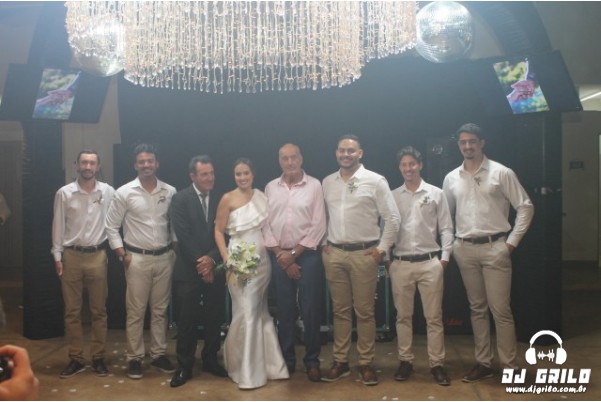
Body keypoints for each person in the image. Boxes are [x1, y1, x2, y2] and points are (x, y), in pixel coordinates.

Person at [442, 123, 534, 382]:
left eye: (472, 141)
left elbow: (525, 207)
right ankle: (483, 363)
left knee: (500, 310)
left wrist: (511, 244)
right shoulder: (451, 178)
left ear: (482, 143)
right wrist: (452, 247)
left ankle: (509, 366)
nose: (468, 146)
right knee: (477, 309)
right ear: (458, 145)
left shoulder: (501, 172)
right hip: (464, 249)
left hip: (496, 249)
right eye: (463, 142)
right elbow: (445, 216)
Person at [321, 134, 400, 386]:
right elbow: (322, 216)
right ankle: (341, 361)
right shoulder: (327, 182)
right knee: (340, 312)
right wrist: (323, 244)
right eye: (341, 150)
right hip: (334, 254)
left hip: (365, 255)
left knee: (365, 313)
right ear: (336, 152)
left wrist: (382, 250)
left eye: (351, 150)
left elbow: (393, 218)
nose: (346, 154)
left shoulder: (375, 180)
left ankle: (366, 363)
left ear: (360, 153)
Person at [214, 158, 289, 389]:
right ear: (234, 176)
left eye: (246, 173)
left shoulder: (261, 196)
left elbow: (269, 227)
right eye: (238, 174)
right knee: (246, 312)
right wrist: (226, 257)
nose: (242, 177)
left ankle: (269, 366)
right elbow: (218, 230)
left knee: (260, 311)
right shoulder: (227, 198)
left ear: (253, 174)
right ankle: (245, 369)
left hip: (262, 259)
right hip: (238, 260)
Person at [105, 143, 177, 380]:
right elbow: (111, 226)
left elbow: (174, 225)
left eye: (150, 161)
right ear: (135, 165)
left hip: (165, 257)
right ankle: (134, 358)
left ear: (157, 163)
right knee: (136, 312)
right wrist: (122, 254)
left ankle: (158, 354)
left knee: (160, 310)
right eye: (142, 161)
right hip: (136, 259)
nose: (146, 165)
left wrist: (174, 251)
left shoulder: (170, 191)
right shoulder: (124, 192)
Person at [388, 146, 454, 386]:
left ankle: (437, 364)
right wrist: (388, 261)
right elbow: (386, 230)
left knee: (434, 318)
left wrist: (444, 258)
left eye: (412, 164)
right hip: (401, 264)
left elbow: (446, 228)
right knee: (403, 317)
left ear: (420, 165)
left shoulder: (436, 193)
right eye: (404, 165)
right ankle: (405, 361)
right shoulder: (392, 196)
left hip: (430, 263)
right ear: (399, 168)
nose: (408, 168)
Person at [263, 144, 326, 382]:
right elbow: (265, 224)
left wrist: (294, 254)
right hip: (279, 256)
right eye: (285, 158)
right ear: (279, 161)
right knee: (285, 311)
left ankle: (312, 360)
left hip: (307, 256)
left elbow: (318, 224)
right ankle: (287, 361)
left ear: (301, 158)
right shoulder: (271, 187)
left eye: (293, 157)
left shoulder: (315, 185)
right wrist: (282, 255)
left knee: (310, 310)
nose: (289, 162)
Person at [51, 150, 115, 378]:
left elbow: (114, 223)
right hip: (72, 256)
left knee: (99, 311)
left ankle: (98, 357)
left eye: (92, 163)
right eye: (84, 162)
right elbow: (58, 225)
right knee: (72, 311)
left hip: (97, 255)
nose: (88, 166)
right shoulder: (64, 193)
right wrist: (57, 256)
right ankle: (76, 358)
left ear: (98, 166)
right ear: (76, 165)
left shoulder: (108, 192)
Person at [168, 155, 227, 388]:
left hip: (215, 267)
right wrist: (202, 263)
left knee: (214, 317)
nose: (210, 178)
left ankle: (211, 359)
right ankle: (185, 366)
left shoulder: (222, 197)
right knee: (187, 321)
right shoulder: (180, 199)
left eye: (211, 173)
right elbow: (183, 235)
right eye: (204, 174)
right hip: (188, 269)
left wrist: (211, 260)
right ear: (193, 176)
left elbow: (226, 232)